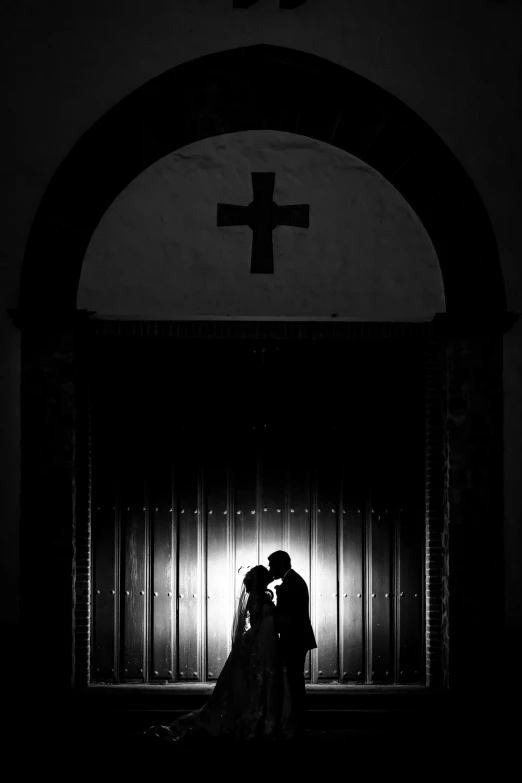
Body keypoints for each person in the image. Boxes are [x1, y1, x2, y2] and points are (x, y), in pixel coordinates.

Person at [144, 564, 286, 744]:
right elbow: (258, 624)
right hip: (261, 644)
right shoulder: (258, 598)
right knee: (253, 682)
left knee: (252, 682)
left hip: (263, 643)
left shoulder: (259, 597)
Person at [267, 550, 317, 740]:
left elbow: (290, 616)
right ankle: (295, 717)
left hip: (295, 639)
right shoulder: (292, 581)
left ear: (281, 564)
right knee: (294, 678)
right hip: (296, 638)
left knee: (294, 679)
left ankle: (297, 719)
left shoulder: (292, 583)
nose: (271, 569)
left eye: (272, 565)